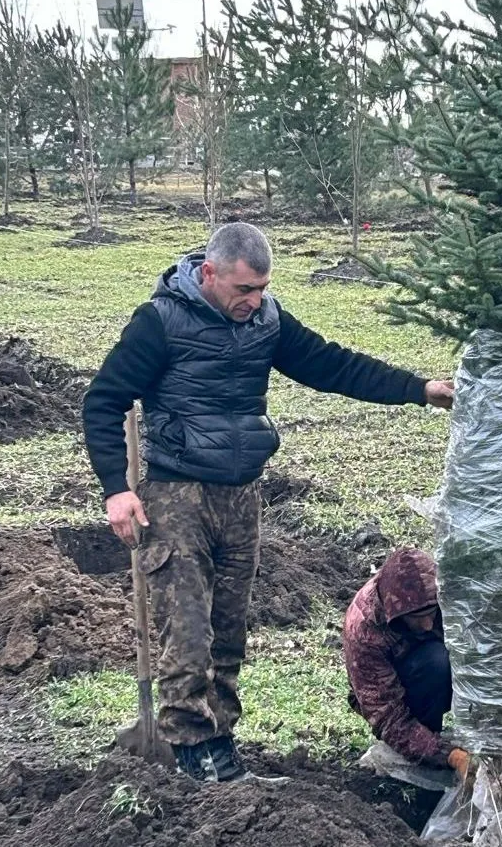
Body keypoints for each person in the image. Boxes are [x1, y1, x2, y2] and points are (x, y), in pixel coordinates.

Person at [83, 222, 453, 783]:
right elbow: (104, 402)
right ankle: (190, 754)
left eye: (261, 289)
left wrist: (418, 389)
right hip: (177, 494)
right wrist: (117, 487)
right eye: (243, 290)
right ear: (209, 274)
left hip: (242, 494)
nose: (253, 301)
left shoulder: (266, 321)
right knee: (186, 632)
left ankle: (221, 746)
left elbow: (333, 365)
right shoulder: (159, 322)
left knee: (229, 630)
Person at [343, 547, 471, 779]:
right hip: (401, 685)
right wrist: (449, 755)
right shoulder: (364, 628)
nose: (426, 625)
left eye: (431, 613)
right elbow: (387, 715)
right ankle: (425, 747)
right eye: (416, 618)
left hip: (442, 666)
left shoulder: (446, 594)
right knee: (436, 662)